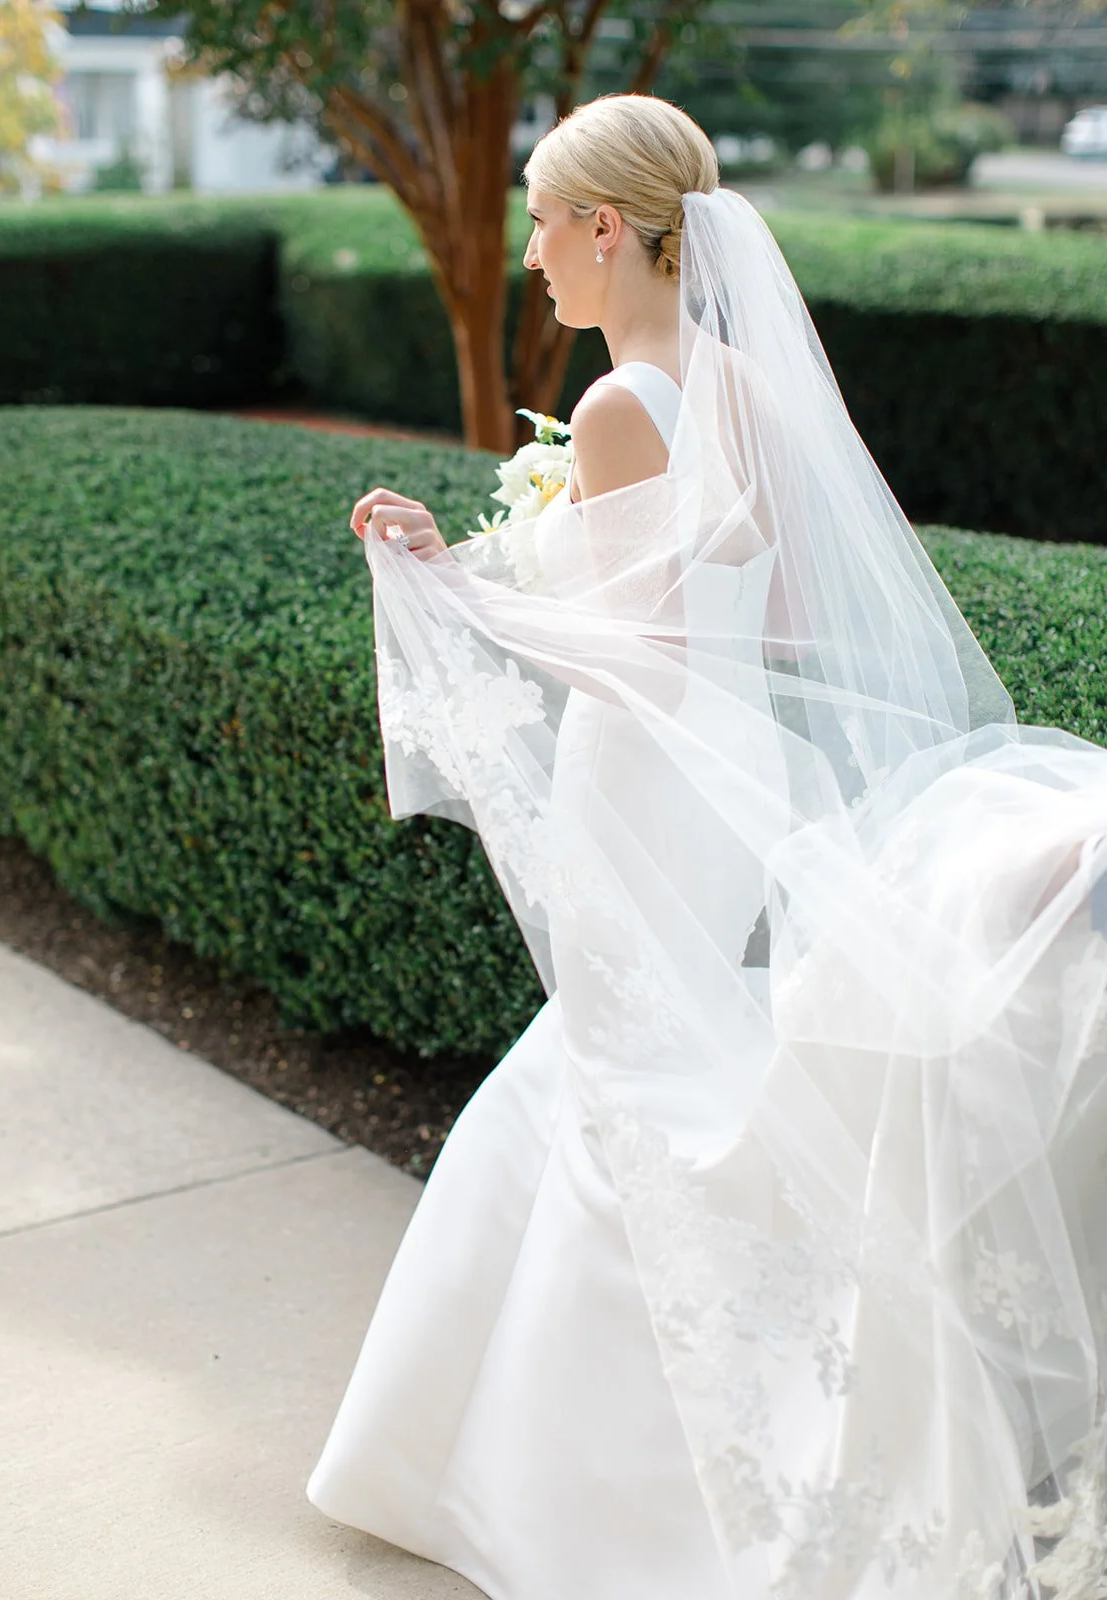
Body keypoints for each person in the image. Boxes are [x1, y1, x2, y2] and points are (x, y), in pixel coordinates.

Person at [307, 94, 1107, 1600]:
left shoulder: (620, 409)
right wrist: (482, 555)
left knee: (624, 1103)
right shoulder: (732, 380)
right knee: (644, 1084)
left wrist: (464, 601)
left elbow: (646, 655)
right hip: (723, 780)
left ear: (608, 227)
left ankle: (650, 1499)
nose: (535, 257)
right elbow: (764, 619)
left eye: (544, 224)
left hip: (647, 782)